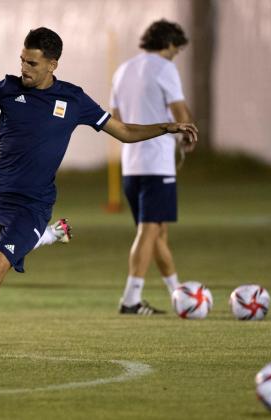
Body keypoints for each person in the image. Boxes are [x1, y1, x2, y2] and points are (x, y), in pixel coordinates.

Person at [0, 27, 197, 364]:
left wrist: (165, 127)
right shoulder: (6, 89)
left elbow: (123, 131)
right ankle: (48, 236)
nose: (24, 68)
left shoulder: (74, 100)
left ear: (52, 64)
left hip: (33, 205)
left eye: (32, 63)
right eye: (22, 60)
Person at [110, 19, 194, 315]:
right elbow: (181, 114)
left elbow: (116, 118)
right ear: (169, 44)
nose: (176, 55)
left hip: (131, 164)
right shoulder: (164, 68)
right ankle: (130, 299)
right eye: (177, 49)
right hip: (157, 163)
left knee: (156, 233)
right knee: (149, 231)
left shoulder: (123, 70)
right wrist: (188, 136)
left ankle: (178, 294)